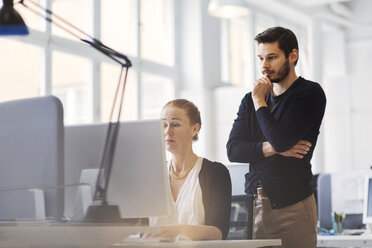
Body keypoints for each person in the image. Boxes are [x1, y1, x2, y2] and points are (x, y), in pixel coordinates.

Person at [226, 26, 326, 248]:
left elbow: (281, 139)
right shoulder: (248, 100)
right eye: (261, 58)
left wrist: (260, 102)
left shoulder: (309, 93)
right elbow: (233, 150)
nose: (264, 66)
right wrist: (271, 148)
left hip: (293, 207)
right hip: (254, 206)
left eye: (272, 57)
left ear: (292, 56)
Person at [144, 99, 232, 240]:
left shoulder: (215, 172)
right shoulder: (152, 175)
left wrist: (180, 230)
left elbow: (219, 232)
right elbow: (141, 229)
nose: (168, 131)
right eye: (164, 125)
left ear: (195, 129)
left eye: (175, 124)